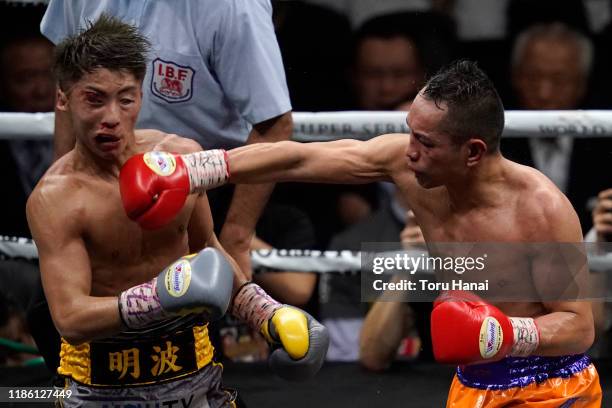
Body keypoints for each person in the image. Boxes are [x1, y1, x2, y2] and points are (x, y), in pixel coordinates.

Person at [124, 60, 601, 406]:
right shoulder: (409, 164)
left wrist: (500, 334)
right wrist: (194, 170)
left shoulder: (540, 209)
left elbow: (579, 326)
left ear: (473, 152)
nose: (408, 152)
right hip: (472, 382)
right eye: (409, 133)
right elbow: (301, 158)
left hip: (553, 387)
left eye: (425, 143)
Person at [27, 15, 327, 406]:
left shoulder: (181, 159)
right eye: (94, 99)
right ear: (64, 98)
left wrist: (267, 315)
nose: (112, 118)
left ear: (142, 94)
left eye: (126, 98)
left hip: (196, 376)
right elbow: (70, 318)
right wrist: (159, 296)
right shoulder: (56, 199)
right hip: (103, 387)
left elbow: (209, 254)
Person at [41, 0, 294, 277]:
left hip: (203, 189)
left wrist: (237, 236)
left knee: (196, 305)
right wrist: (63, 184)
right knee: (62, 307)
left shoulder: (232, 6)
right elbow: (69, 79)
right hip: (97, 183)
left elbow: (274, 122)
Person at [503, 22, 612, 231]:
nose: (544, 93)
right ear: (515, 77)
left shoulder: (605, 145)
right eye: (533, 77)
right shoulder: (489, 140)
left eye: (559, 79)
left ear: (582, 84)